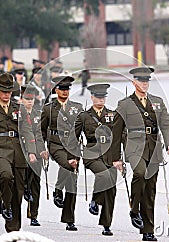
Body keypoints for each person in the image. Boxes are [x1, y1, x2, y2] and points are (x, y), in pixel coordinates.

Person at [111, 67, 169, 241]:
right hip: (134, 146)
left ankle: (148, 230)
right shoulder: (125, 104)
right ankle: (134, 209)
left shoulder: (157, 101)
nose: (145, 83)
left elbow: (167, 124)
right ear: (134, 82)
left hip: (154, 147)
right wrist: (116, 158)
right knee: (139, 173)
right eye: (141, 80)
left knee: (150, 189)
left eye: (147, 80)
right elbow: (116, 131)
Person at [0, 73, 36, 232]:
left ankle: (13, 229)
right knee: (5, 175)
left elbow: (27, 130)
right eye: (3, 91)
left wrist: (31, 151)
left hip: (17, 150)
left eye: (9, 92)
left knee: (18, 191)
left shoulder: (20, 109)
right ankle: (4, 202)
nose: (6, 95)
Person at [73, 84, 119, 236]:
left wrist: (121, 157)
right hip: (92, 154)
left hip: (110, 154)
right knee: (103, 175)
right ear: (91, 97)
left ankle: (106, 224)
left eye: (103, 97)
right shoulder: (84, 116)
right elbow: (74, 137)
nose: (101, 100)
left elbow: (121, 135)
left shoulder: (112, 114)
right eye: (98, 97)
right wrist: (73, 157)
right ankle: (95, 200)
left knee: (111, 189)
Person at [40, 76, 83, 231]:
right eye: (62, 89)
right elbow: (41, 130)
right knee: (67, 165)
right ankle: (58, 188)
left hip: (73, 146)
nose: (65, 92)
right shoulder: (48, 108)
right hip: (56, 144)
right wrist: (42, 148)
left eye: (67, 89)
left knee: (73, 181)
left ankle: (69, 219)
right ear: (55, 90)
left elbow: (84, 127)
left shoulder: (77, 107)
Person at [20, 85, 48, 227]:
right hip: (20, 151)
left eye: (31, 99)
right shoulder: (17, 114)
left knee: (35, 184)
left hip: (36, 151)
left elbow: (40, 135)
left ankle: (33, 215)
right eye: (27, 99)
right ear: (21, 99)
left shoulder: (38, 114)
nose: (29, 101)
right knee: (22, 180)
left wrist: (43, 151)